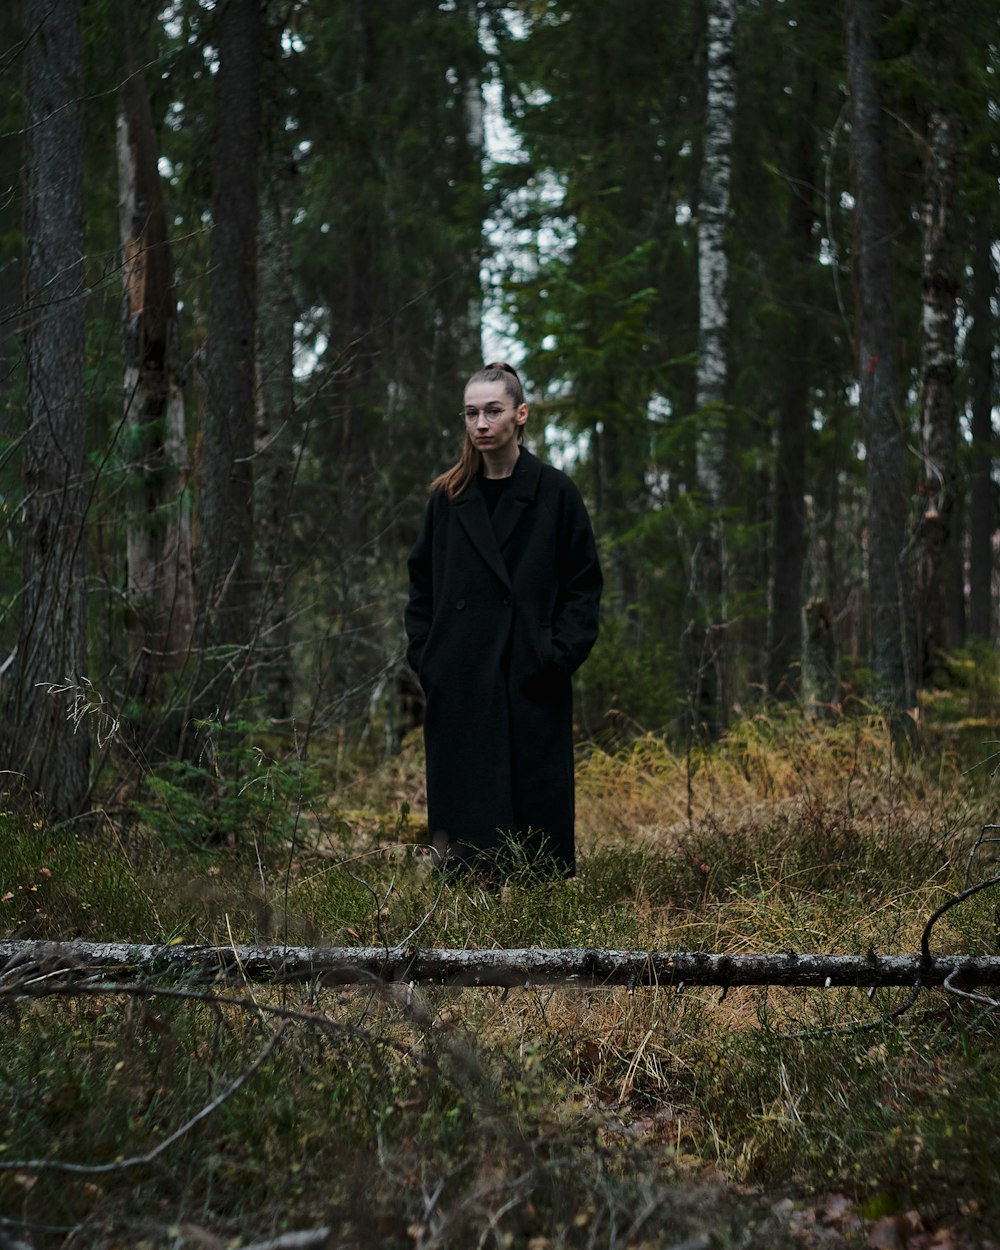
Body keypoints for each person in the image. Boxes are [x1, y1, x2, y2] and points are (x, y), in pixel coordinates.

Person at [405, 362, 602, 878]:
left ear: (520, 415)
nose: (481, 424)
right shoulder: (447, 499)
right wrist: (429, 657)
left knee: (534, 829)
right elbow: (421, 585)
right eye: (471, 413)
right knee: (469, 837)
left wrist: (554, 656)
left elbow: (584, 585)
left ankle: (539, 939)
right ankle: (473, 940)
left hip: (529, 676)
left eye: (493, 411)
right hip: (461, 679)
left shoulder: (556, 493)